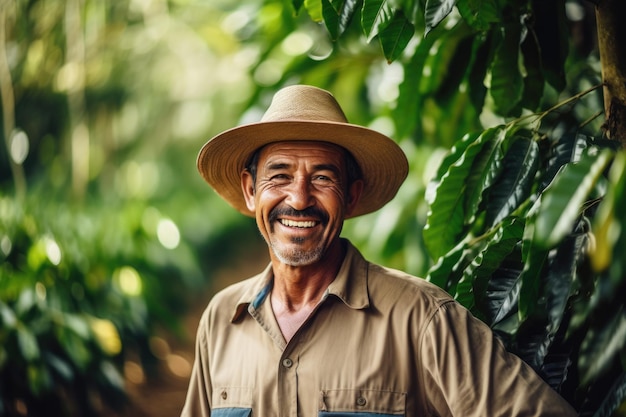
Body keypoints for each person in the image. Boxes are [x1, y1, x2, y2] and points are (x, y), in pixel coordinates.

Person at [181, 85, 577, 417]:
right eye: (280, 176)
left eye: (322, 177)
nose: (299, 199)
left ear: (351, 196)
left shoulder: (421, 319)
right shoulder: (221, 321)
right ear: (251, 191)